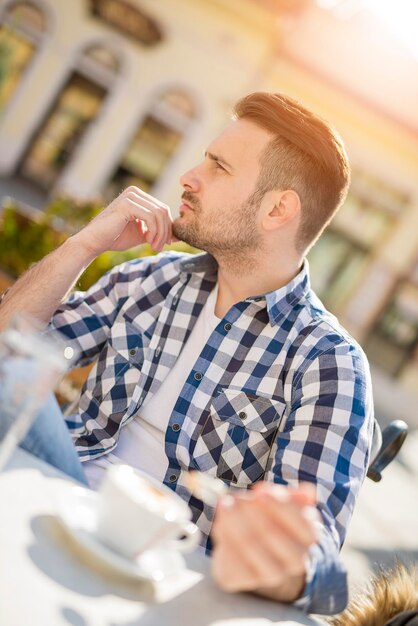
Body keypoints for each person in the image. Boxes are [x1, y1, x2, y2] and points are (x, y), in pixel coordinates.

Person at [0, 92, 374, 614]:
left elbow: (324, 570)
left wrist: (275, 554)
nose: (188, 177)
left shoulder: (327, 363)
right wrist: (83, 245)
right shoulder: (149, 280)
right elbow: (7, 347)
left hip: (167, 580)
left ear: (277, 209)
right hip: (60, 490)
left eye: (218, 167)